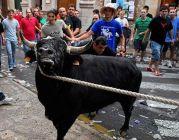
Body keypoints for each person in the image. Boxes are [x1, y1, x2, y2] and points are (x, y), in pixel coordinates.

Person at [143, 6, 173, 76]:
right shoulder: (155, 19)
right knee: (157, 54)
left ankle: (149, 67)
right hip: (154, 40)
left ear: (167, 12)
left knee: (155, 55)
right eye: (163, 11)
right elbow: (149, 29)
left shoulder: (168, 20)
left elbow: (170, 29)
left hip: (162, 41)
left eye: (166, 11)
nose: (164, 13)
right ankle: (157, 70)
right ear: (160, 12)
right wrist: (145, 38)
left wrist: (172, 39)